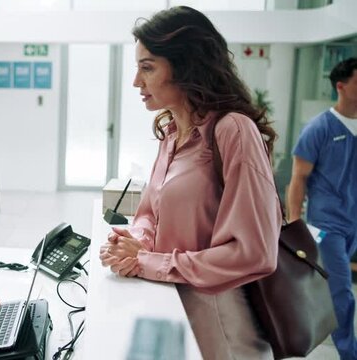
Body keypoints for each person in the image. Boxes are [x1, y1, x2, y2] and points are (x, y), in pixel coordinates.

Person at [99, 6, 282, 359]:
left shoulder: (233, 130)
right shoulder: (171, 134)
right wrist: (130, 246)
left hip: (221, 326)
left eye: (147, 67)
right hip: (169, 306)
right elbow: (149, 214)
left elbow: (255, 252)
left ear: (186, 66)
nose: (137, 81)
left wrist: (147, 261)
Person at [287, 57, 357, 360]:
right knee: (341, 292)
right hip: (327, 223)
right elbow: (298, 179)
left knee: (326, 292)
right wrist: (295, 225)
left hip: (354, 220)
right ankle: (348, 354)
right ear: (340, 86)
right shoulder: (319, 128)